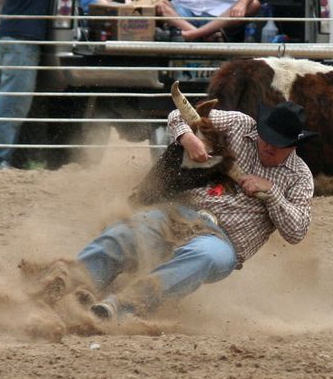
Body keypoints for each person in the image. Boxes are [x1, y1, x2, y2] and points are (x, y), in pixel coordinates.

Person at [67, 101, 318, 321]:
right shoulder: (241, 125)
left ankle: (121, 306)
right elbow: (180, 114)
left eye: (278, 144)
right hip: (181, 214)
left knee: (203, 256)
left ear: (294, 145)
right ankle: (67, 284)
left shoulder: (300, 177)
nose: (268, 146)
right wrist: (187, 138)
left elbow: (296, 232)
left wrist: (272, 192)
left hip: (224, 242)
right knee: (128, 232)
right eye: (266, 137)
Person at [0, 0, 93, 169]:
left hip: (21, 39)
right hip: (20, 40)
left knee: (17, 101)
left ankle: (1, 159)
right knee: (13, 102)